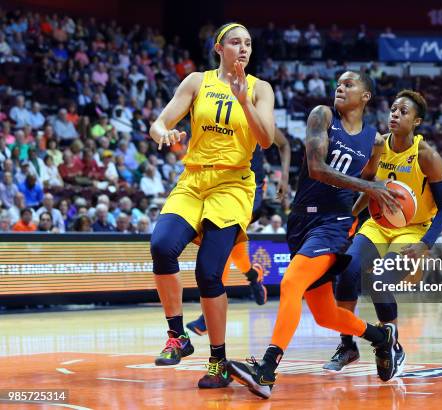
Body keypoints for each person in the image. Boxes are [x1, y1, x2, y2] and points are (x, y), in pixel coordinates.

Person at [227, 71, 404, 399]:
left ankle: (266, 369)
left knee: (292, 283)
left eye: (349, 84)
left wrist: (357, 213)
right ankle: (382, 338)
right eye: (338, 82)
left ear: (365, 97)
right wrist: (370, 188)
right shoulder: (322, 116)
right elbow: (317, 168)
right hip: (300, 222)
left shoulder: (375, 141)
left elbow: (370, 180)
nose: (340, 87)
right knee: (324, 316)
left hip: (333, 225)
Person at [148, 22, 275, 390]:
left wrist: (242, 100)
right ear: (219, 48)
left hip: (233, 185)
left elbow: (265, 140)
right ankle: (178, 336)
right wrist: (164, 133)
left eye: (248, 43)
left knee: (208, 273)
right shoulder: (196, 82)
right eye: (236, 42)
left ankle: (218, 361)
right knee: (161, 246)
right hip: (194, 180)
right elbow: (159, 122)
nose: (243, 48)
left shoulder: (260, 89)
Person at [319, 89, 442, 372]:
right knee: (347, 271)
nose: (395, 115)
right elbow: (368, 188)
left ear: (416, 122)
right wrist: (347, 219)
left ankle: (392, 344)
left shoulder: (427, 156)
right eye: (393, 109)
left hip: (412, 231)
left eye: (403, 112)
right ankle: (347, 345)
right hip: (378, 225)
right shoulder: (378, 145)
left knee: (380, 279)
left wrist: (425, 244)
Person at [185, 127, 291, 336]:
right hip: (222, 187)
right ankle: (254, 275)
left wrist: (284, 177)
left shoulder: (256, 112)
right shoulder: (215, 111)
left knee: (222, 237)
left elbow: (284, 144)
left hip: (252, 189)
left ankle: (207, 317)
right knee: (232, 246)